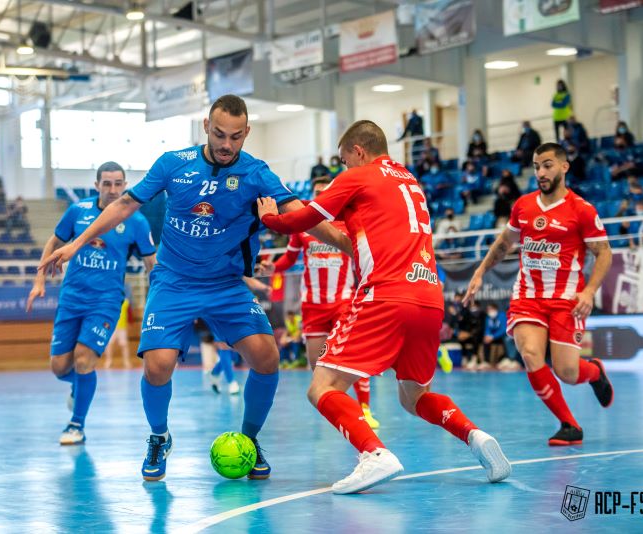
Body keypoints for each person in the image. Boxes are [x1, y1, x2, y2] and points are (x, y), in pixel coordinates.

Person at [39, 95, 350, 482]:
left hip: (226, 284)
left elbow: (297, 211)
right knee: (158, 366)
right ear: (206, 126)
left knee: (267, 358)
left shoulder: (257, 172)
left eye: (236, 137)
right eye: (219, 134)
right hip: (174, 281)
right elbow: (124, 205)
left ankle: (249, 441)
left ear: (246, 134)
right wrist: (76, 242)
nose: (226, 144)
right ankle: (159, 436)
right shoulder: (174, 163)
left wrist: (349, 245)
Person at [257, 120, 511, 494]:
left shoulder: (359, 176)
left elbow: (306, 218)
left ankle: (373, 454)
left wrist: (269, 217)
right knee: (414, 397)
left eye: (344, 161)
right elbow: (353, 222)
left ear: (358, 151)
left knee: (321, 385)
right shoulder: (408, 180)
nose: (343, 170)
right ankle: (474, 436)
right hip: (428, 297)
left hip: (386, 294)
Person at [464, 142, 614, 446]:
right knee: (530, 354)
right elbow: (505, 243)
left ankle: (594, 372)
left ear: (563, 167)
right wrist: (480, 271)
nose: (540, 172)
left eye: (546, 165)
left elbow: (604, 253)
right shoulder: (523, 205)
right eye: (536, 166)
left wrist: (589, 291)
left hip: (566, 300)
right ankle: (569, 424)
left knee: (568, 372)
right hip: (528, 296)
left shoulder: (582, 210)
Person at [27, 161, 157, 446]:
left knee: (84, 359)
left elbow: (151, 264)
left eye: (118, 183)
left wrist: (159, 300)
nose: (113, 189)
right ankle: (77, 387)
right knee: (60, 367)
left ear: (125, 186)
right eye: (107, 184)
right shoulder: (78, 211)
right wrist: (39, 282)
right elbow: (53, 242)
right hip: (72, 298)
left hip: (106, 302)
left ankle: (77, 425)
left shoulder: (136, 221)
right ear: (96, 185)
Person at [260, 176, 380, 428]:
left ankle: (365, 409)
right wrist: (273, 267)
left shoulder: (349, 224)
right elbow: (289, 259)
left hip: (344, 302)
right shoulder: (304, 228)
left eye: (326, 191)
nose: (321, 195)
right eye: (317, 192)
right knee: (318, 367)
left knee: (352, 358)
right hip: (313, 305)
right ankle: (345, 409)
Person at [102, 296, 133, 370]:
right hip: (112, 327)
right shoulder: (109, 300)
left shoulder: (126, 302)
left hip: (122, 328)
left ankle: (126, 361)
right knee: (109, 344)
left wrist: (130, 323)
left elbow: (129, 314)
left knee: (124, 345)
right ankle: (108, 361)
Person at [482, 303, 507, 368]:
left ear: (496, 309)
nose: (489, 311)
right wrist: (487, 336)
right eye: (488, 310)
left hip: (501, 336)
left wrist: (493, 337)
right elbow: (487, 328)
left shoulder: (502, 315)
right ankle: (486, 361)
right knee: (485, 341)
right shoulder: (488, 317)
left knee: (506, 339)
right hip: (491, 337)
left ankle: (505, 359)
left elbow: (503, 329)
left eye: (491, 309)